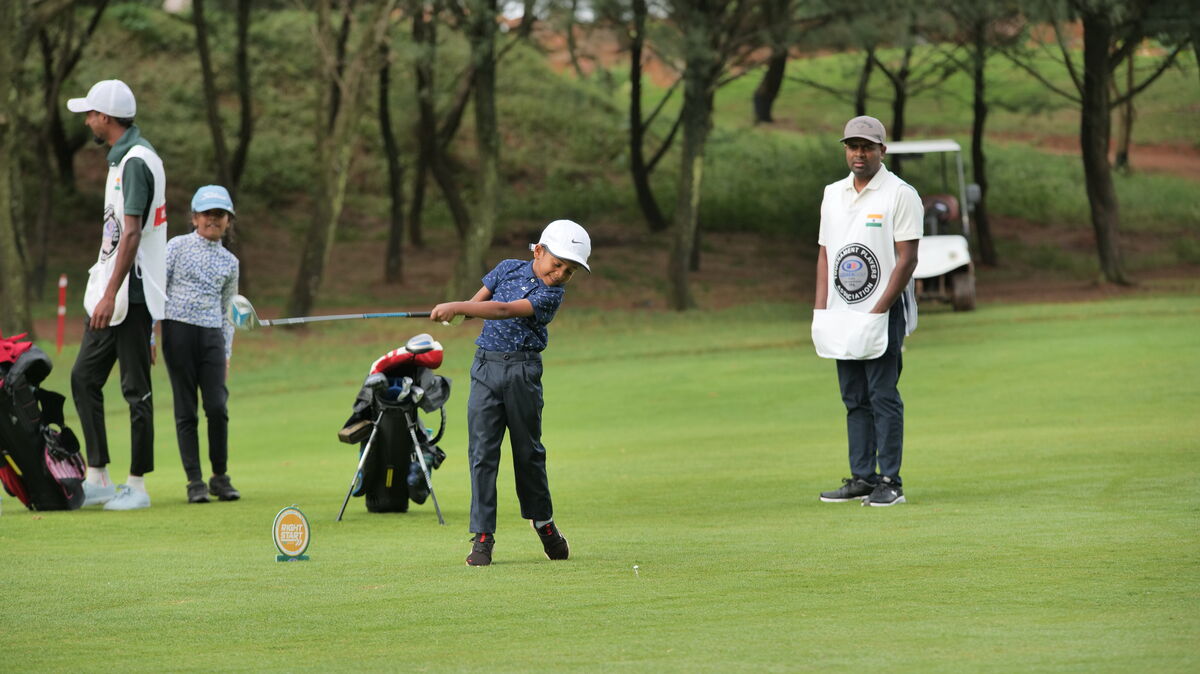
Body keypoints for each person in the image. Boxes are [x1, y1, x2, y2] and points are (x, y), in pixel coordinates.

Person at [429, 220, 591, 566]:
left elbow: (502, 310)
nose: (561, 273)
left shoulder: (551, 295)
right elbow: (477, 307)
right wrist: (453, 315)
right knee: (482, 453)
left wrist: (457, 305)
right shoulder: (506, 268)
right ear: (538, 251)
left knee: (527, 452)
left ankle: (543, 522)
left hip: (522, 371)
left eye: (570, 269)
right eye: (557, 263)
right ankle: (483, 536)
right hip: (485, 370)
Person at [68, 80, 168, 511]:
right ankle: (99, 475)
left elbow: (131, 235)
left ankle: (137, 485)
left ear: (106, 118)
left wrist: (109, 295)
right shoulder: (123, 159)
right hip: (118, 291)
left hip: (134, 294)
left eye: (91, 113)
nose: (88, 120)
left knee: (135, 391)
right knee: (83, 377)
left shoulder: (135, 162)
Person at [812, 116, 921, 507]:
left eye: (867, 146)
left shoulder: (899, 194)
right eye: (852, 146)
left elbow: (907, 259)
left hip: (883, 311)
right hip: (842, 312)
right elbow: (825, 253)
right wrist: (820, 308)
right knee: (853, 397)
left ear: (882, 151)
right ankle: (862, 476)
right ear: (846, 149)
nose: (859, 153)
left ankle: (891, 481)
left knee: (882, 395)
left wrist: (879, 309)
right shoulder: (832, 193)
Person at [162, 186, 241, 504]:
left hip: (211, 336)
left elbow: (229, 310)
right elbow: (158, 291)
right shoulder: (176, 247)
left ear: (228, 222)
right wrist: (151, 337)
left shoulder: (230, 262)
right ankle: (194, 481)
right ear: (194, 218)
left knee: (217, 408)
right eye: (207, 214)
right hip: (177, 331)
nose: (213, 220)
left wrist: (227, 352)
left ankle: (219, 477)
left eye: (219, 215)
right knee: (186, 409)